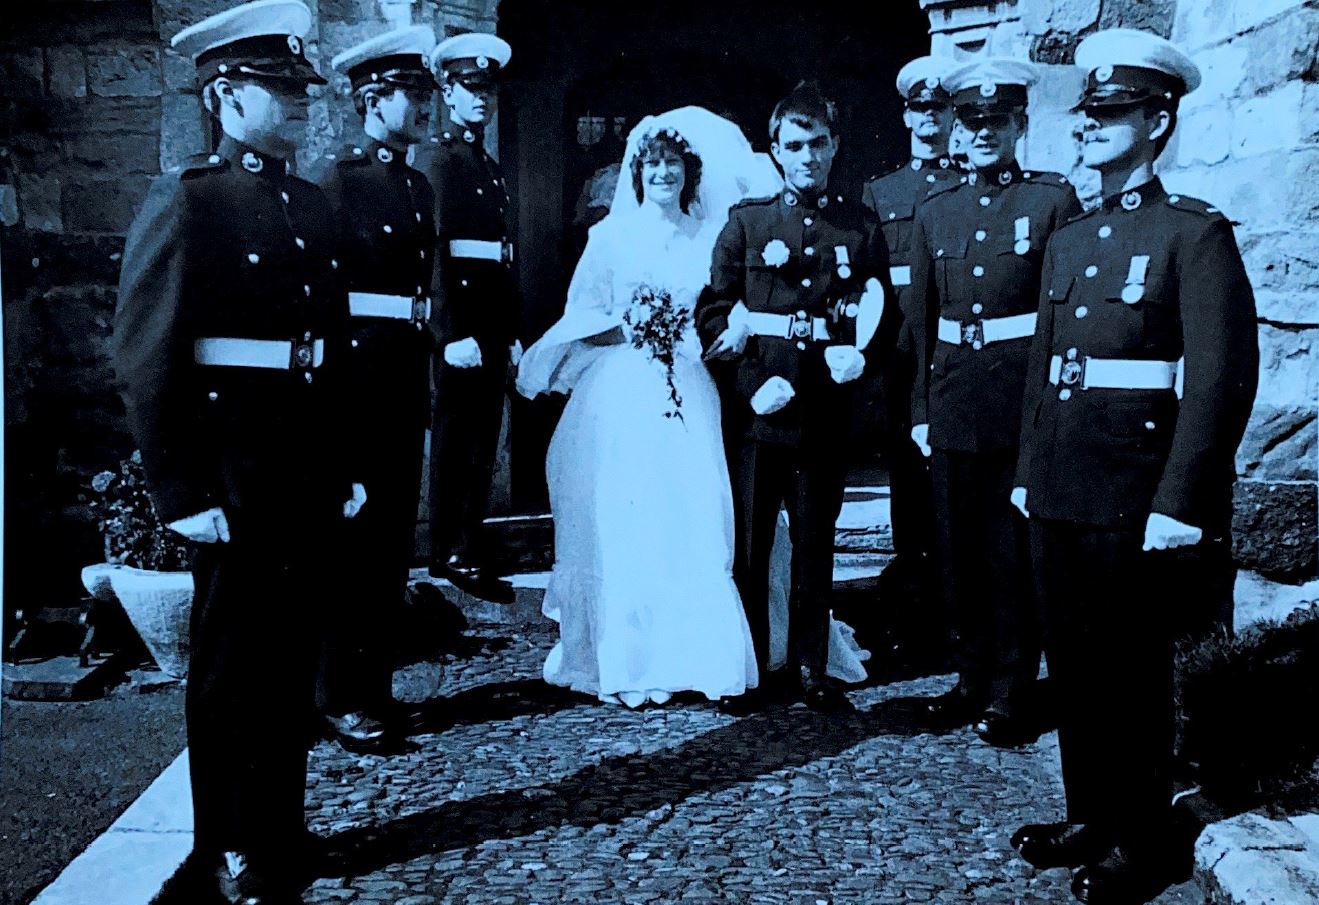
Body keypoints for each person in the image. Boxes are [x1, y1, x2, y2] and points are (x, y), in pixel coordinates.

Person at [112, 2, 362, 902]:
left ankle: (280, 827)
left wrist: (345, 464)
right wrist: (180, 490)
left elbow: (328, 350)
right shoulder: (188, 199)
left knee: (290, 657)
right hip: (231, 475)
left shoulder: (310, 203)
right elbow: (146, 355)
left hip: (302, 469)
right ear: (223, 97)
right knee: (230, 668)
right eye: (277, 88)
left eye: (301, 89)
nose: (298, 103)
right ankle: (228, 844)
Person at [1009, 30, 1258, 904]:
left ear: (1158, 121)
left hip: (1133, 489)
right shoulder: (1071, 235)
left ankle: (1145, 842)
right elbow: (1046, 364)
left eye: (1110, 112)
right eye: (1087, 112)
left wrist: (1180, 496)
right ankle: (1090, 815)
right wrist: (1027, 469)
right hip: (1060, 483)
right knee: (1074, 664)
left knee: (1131, 673)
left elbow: (1221, 377)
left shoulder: (1192, 232)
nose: (1087, 126)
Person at [516, 108, 770, 707]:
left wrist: (719, 328)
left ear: (690, 172)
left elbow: (724, 304)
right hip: (623, 389)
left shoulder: (709, 237)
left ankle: (698, 657)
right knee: (629, 515)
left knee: (691, 511)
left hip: (689, 385)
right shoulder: (609, 238)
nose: (662, 173)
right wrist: (632, 327)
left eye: (672, 163)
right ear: (637, 173)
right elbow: (585, 316)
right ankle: (627, 655)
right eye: (651, 163)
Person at [696, 83, 892, 714]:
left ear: (834, 147)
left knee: (814, 542)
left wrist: (859, 356)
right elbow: (713, 312)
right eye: (795, 145)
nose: (808, 156)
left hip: (823, 409)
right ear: (776, 151)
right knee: (752, 546)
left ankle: (811, 667)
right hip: (762, 412)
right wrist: (751, 383)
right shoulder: (747, 222)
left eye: (818, 144)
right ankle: (753, 667)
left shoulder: (859, 226)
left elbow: (881, 309)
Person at [907, 59, 1082, 747]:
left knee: (1010, 552)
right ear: (956, 129)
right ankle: (969, 678)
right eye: (972, 122)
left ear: (1019, 127)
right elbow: (921, 322)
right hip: (953, 399)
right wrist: (921, 410)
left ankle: (1011, 689)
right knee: (957, 551)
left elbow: (1061, 316)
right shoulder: (935, 211)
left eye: (997, 122)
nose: (983, 134)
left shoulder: (1051, 202)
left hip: (1017, 401)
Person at [309, 26, 438, 754]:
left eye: (424, 93)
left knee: (389, 544)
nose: (424, 106)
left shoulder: (417, 185)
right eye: (410, 94)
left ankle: (375, 686)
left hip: (402, 379)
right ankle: (337, 695)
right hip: (356, 382)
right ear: (371, 100)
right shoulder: (338, 183)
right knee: (349, 545)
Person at [416, 32, 520, 604]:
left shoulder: (488, 165)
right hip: (460, 325)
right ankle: (449, 547)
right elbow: (434, 251)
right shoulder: (442, 160)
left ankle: (469, 538)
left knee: (482, 435)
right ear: (448, 92)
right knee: (456, 435)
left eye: (488, 90)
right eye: (470, 88)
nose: (481, 99)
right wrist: (448, 332)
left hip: (491, 323)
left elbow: (501, 257)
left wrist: (512, 330)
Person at [860, 55, 960, 637]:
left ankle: (953, 588)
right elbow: (872, 280)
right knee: (906, 470)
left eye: (939, 109)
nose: (930, 120)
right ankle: (914, 585)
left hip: (952, 348)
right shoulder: (882, 191)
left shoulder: (965, 186)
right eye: (921, 109)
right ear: (906, 116)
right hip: (901, 352)